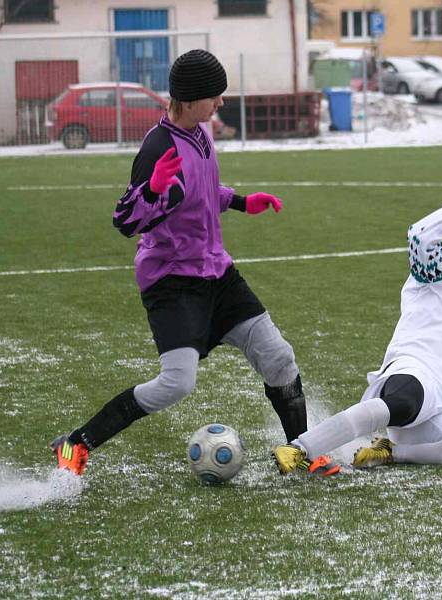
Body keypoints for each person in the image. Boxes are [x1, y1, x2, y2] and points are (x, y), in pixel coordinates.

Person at [50, 49, 335, 476]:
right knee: (176, 384)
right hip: (173, 282)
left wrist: (240, 201)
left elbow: (203, 191)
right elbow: (125, 219)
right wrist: (151, 190)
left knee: (279, 358)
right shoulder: (158, 147)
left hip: (217, 274)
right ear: (188, 99)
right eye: (214, 96)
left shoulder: (202, 133)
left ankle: (301, 451)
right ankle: (75, 445)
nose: (220, 102)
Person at [272, 188, 442, 476]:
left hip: (441, 408)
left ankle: (392, 452)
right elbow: (421, 234)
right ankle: (300, 447)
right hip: (415, 373)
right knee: (404, 403)